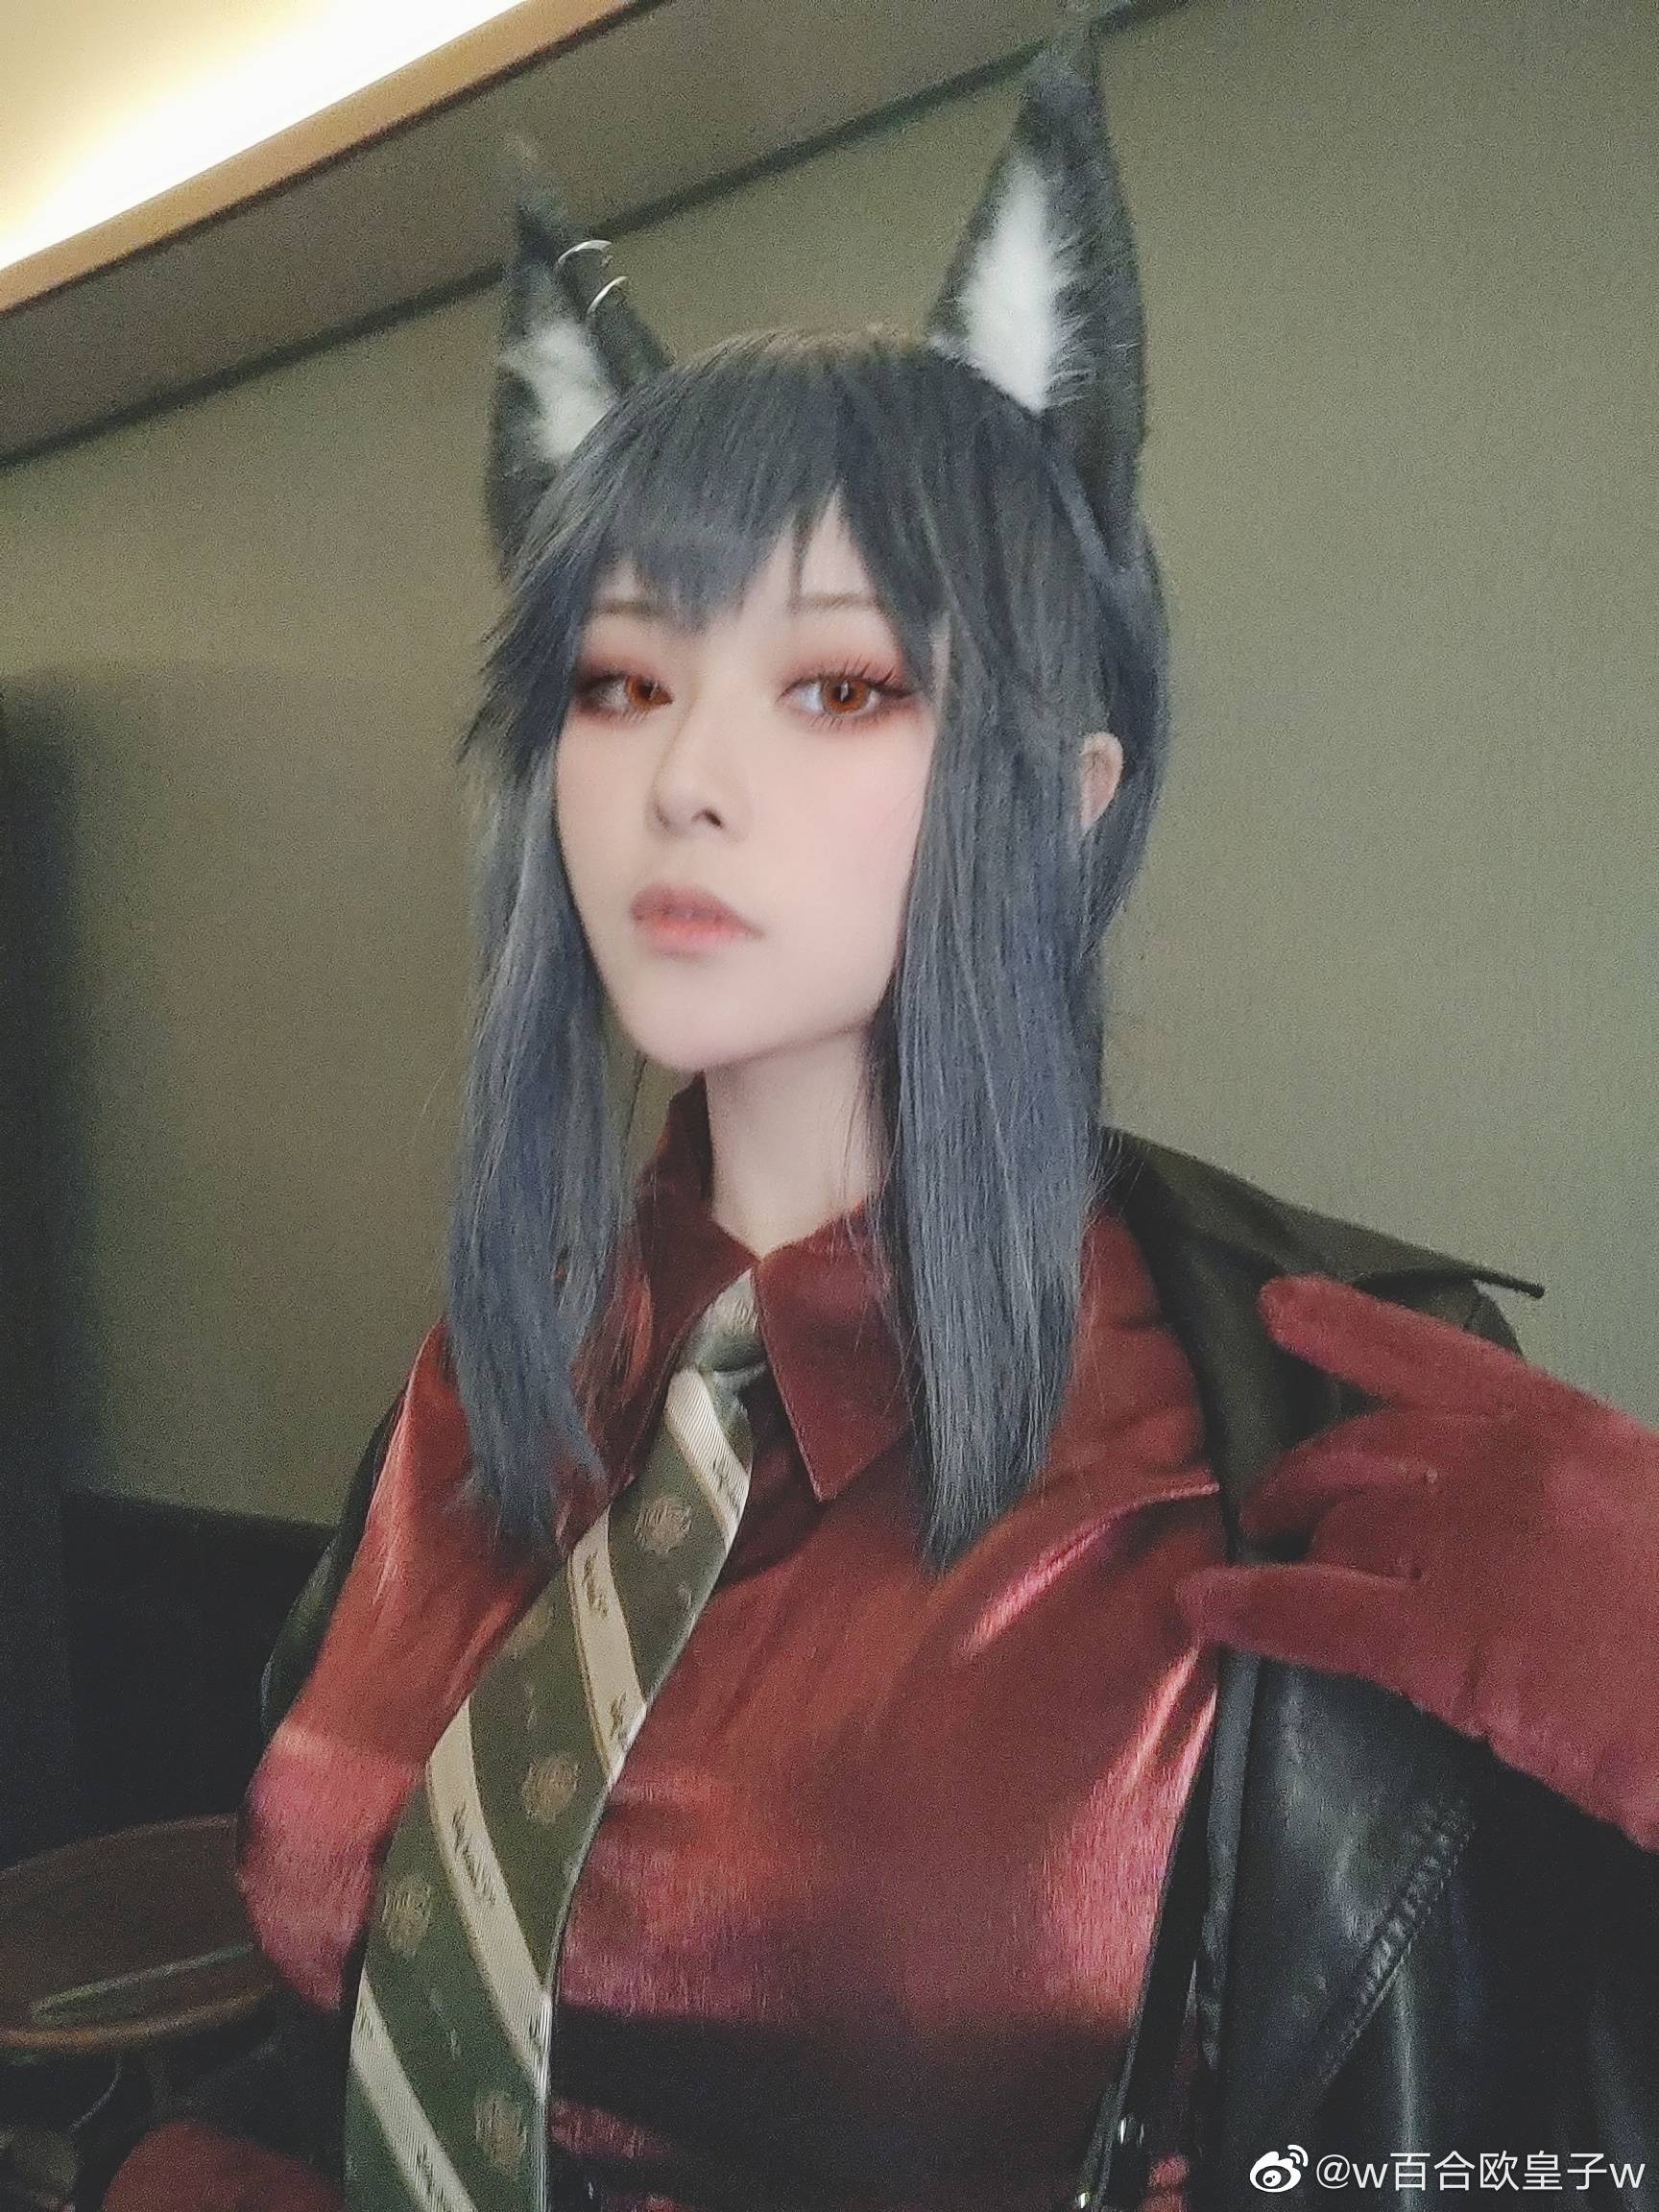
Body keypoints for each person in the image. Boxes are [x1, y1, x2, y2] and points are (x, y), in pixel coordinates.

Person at [105, 27, 1659, 2212]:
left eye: (839, 683)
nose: (686, 777)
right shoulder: (485, 1389)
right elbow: (335, 2014)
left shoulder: (1298, 1440)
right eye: (622, 682)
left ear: (1069, 788)